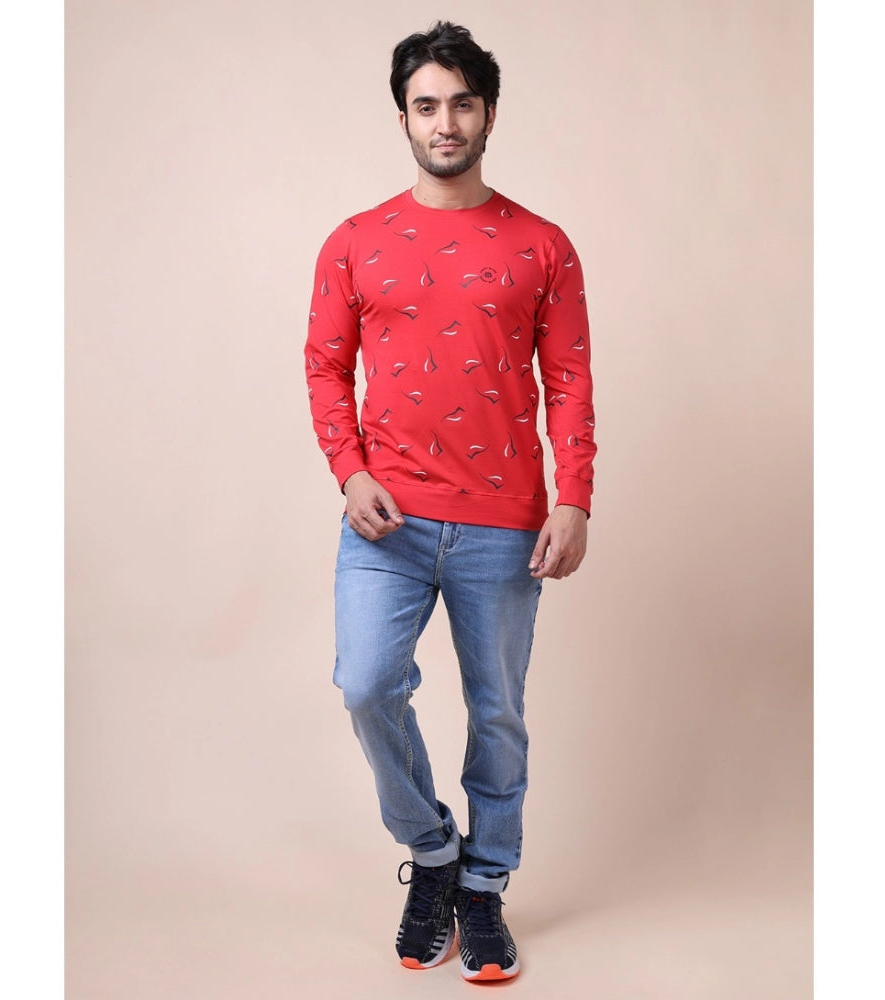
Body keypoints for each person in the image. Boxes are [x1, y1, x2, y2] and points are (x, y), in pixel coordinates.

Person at [303, 21, 596, 983]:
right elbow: (324, 367)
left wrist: (575, 497)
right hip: (384, 518)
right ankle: (434, 852)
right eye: (426, 105)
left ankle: (485, 884)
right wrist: (350, 471)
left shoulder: (543, 246)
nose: (445, 122)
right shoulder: (354, 242)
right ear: (403, 118)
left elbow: (569, 381)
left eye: (462, 103)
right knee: (366, 684)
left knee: (497, 712)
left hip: (505, 523)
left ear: (489, 114)